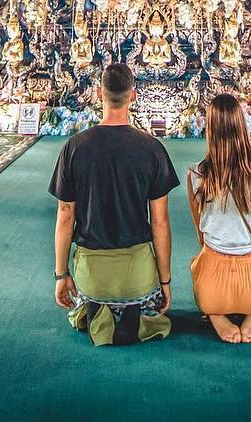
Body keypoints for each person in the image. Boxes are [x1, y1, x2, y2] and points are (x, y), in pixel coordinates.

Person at [49, 62, 179, 346]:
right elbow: (160, 222)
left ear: (98, 94)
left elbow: (65, 217)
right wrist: (165, 282)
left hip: (91, 277)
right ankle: (133, 309)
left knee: (92, 298)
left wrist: (61, 275)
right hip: (139, 277)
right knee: (142, 299)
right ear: (133, 95)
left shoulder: (74, 147)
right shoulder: (152, 149)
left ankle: (98, 305)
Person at [187, 93, 251, 344]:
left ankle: (216, 313)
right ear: (242, 127)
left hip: (212, 282)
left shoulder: (197, 174)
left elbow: (201, 234)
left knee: (198, 263)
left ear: (210, 130)